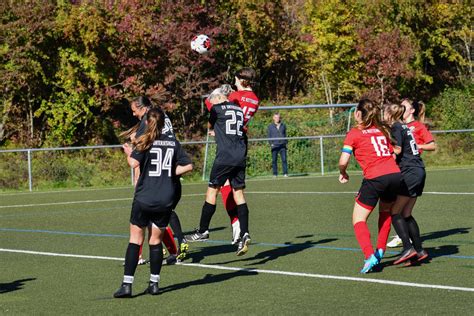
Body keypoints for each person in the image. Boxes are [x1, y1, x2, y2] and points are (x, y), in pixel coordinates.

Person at [114, 108, 193, 298]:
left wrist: (129, 151)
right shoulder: (173, 142)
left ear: (147, 123)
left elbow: (133, 163)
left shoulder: (145, 140)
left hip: (145, 196)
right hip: (165, 198)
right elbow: (189, 165)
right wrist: (169, 173)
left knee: (135, 240)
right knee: (156, 241)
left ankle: (127, 285)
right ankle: (154, 284)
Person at [188, 68, 259, 245]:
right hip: (240, 145)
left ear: (242, 80)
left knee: (215, 189)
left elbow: (213, 105)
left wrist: (218, 95)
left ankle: (217, 227)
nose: (234, 82)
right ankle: (243, 230)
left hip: (227, 147)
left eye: (236, 79)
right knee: (237, 191)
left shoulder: (235, 97)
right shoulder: (255, 99)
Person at [121, 96, 188, 264]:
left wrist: (133, 146)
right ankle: (178, 245)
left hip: (155, 174)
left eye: (135, 110)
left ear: (143, 108)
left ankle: (170, 248)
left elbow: (140, 152)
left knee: (147, 215)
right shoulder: (161, 115)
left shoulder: (149, 120)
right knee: (163, 213)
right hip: (167, 167)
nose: (134, 114)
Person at [338, 99, 401, 273]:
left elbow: (343, 161)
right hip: (395, 175)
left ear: (358, 113)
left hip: (376, 178)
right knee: (385, 213)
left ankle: (369, 255)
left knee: (358, 219)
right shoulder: (381, 130)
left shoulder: (354, 133)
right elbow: (394, 153)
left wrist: (343, 172)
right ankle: (380, 250)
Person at [383, 103, 429, 265]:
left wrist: (384, 148)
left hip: (410, 171)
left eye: (384, 113)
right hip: (419, 170)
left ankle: (407, 248)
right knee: (406, 213)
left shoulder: (396, 127)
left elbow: (397, 150)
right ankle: (419, 250)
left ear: (389, 115)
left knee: (395, 212)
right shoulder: (404, 127)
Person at [268, 113, 288, 177]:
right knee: (274, 160)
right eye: (276, 117)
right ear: (273, 118)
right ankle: (275, 174)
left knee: (284, 160)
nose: (277, 119)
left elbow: (285, 134)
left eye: (278, 117)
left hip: (282, 145)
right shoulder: (270, 126)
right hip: (274, 145)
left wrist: (285, 142)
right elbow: (269, 136)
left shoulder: (283, 125)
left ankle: (285, 173)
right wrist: (271, 144)